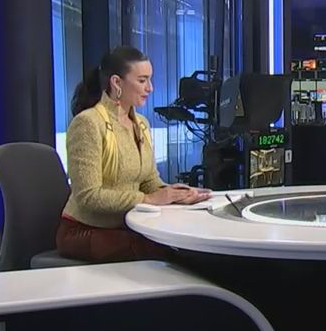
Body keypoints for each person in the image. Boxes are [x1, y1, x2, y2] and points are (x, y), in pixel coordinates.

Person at [57, 46, 211, 262]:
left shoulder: (141, 124)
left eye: (150, 80)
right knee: (170, 251)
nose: (150, 88)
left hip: (126, 226)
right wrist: (147, 199)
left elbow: (149, 180)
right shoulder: (88, 123)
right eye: (142, 80)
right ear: (116, 83)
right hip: (84, 231)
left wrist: (177, 194)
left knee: (190, 241)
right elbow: (88, 196)